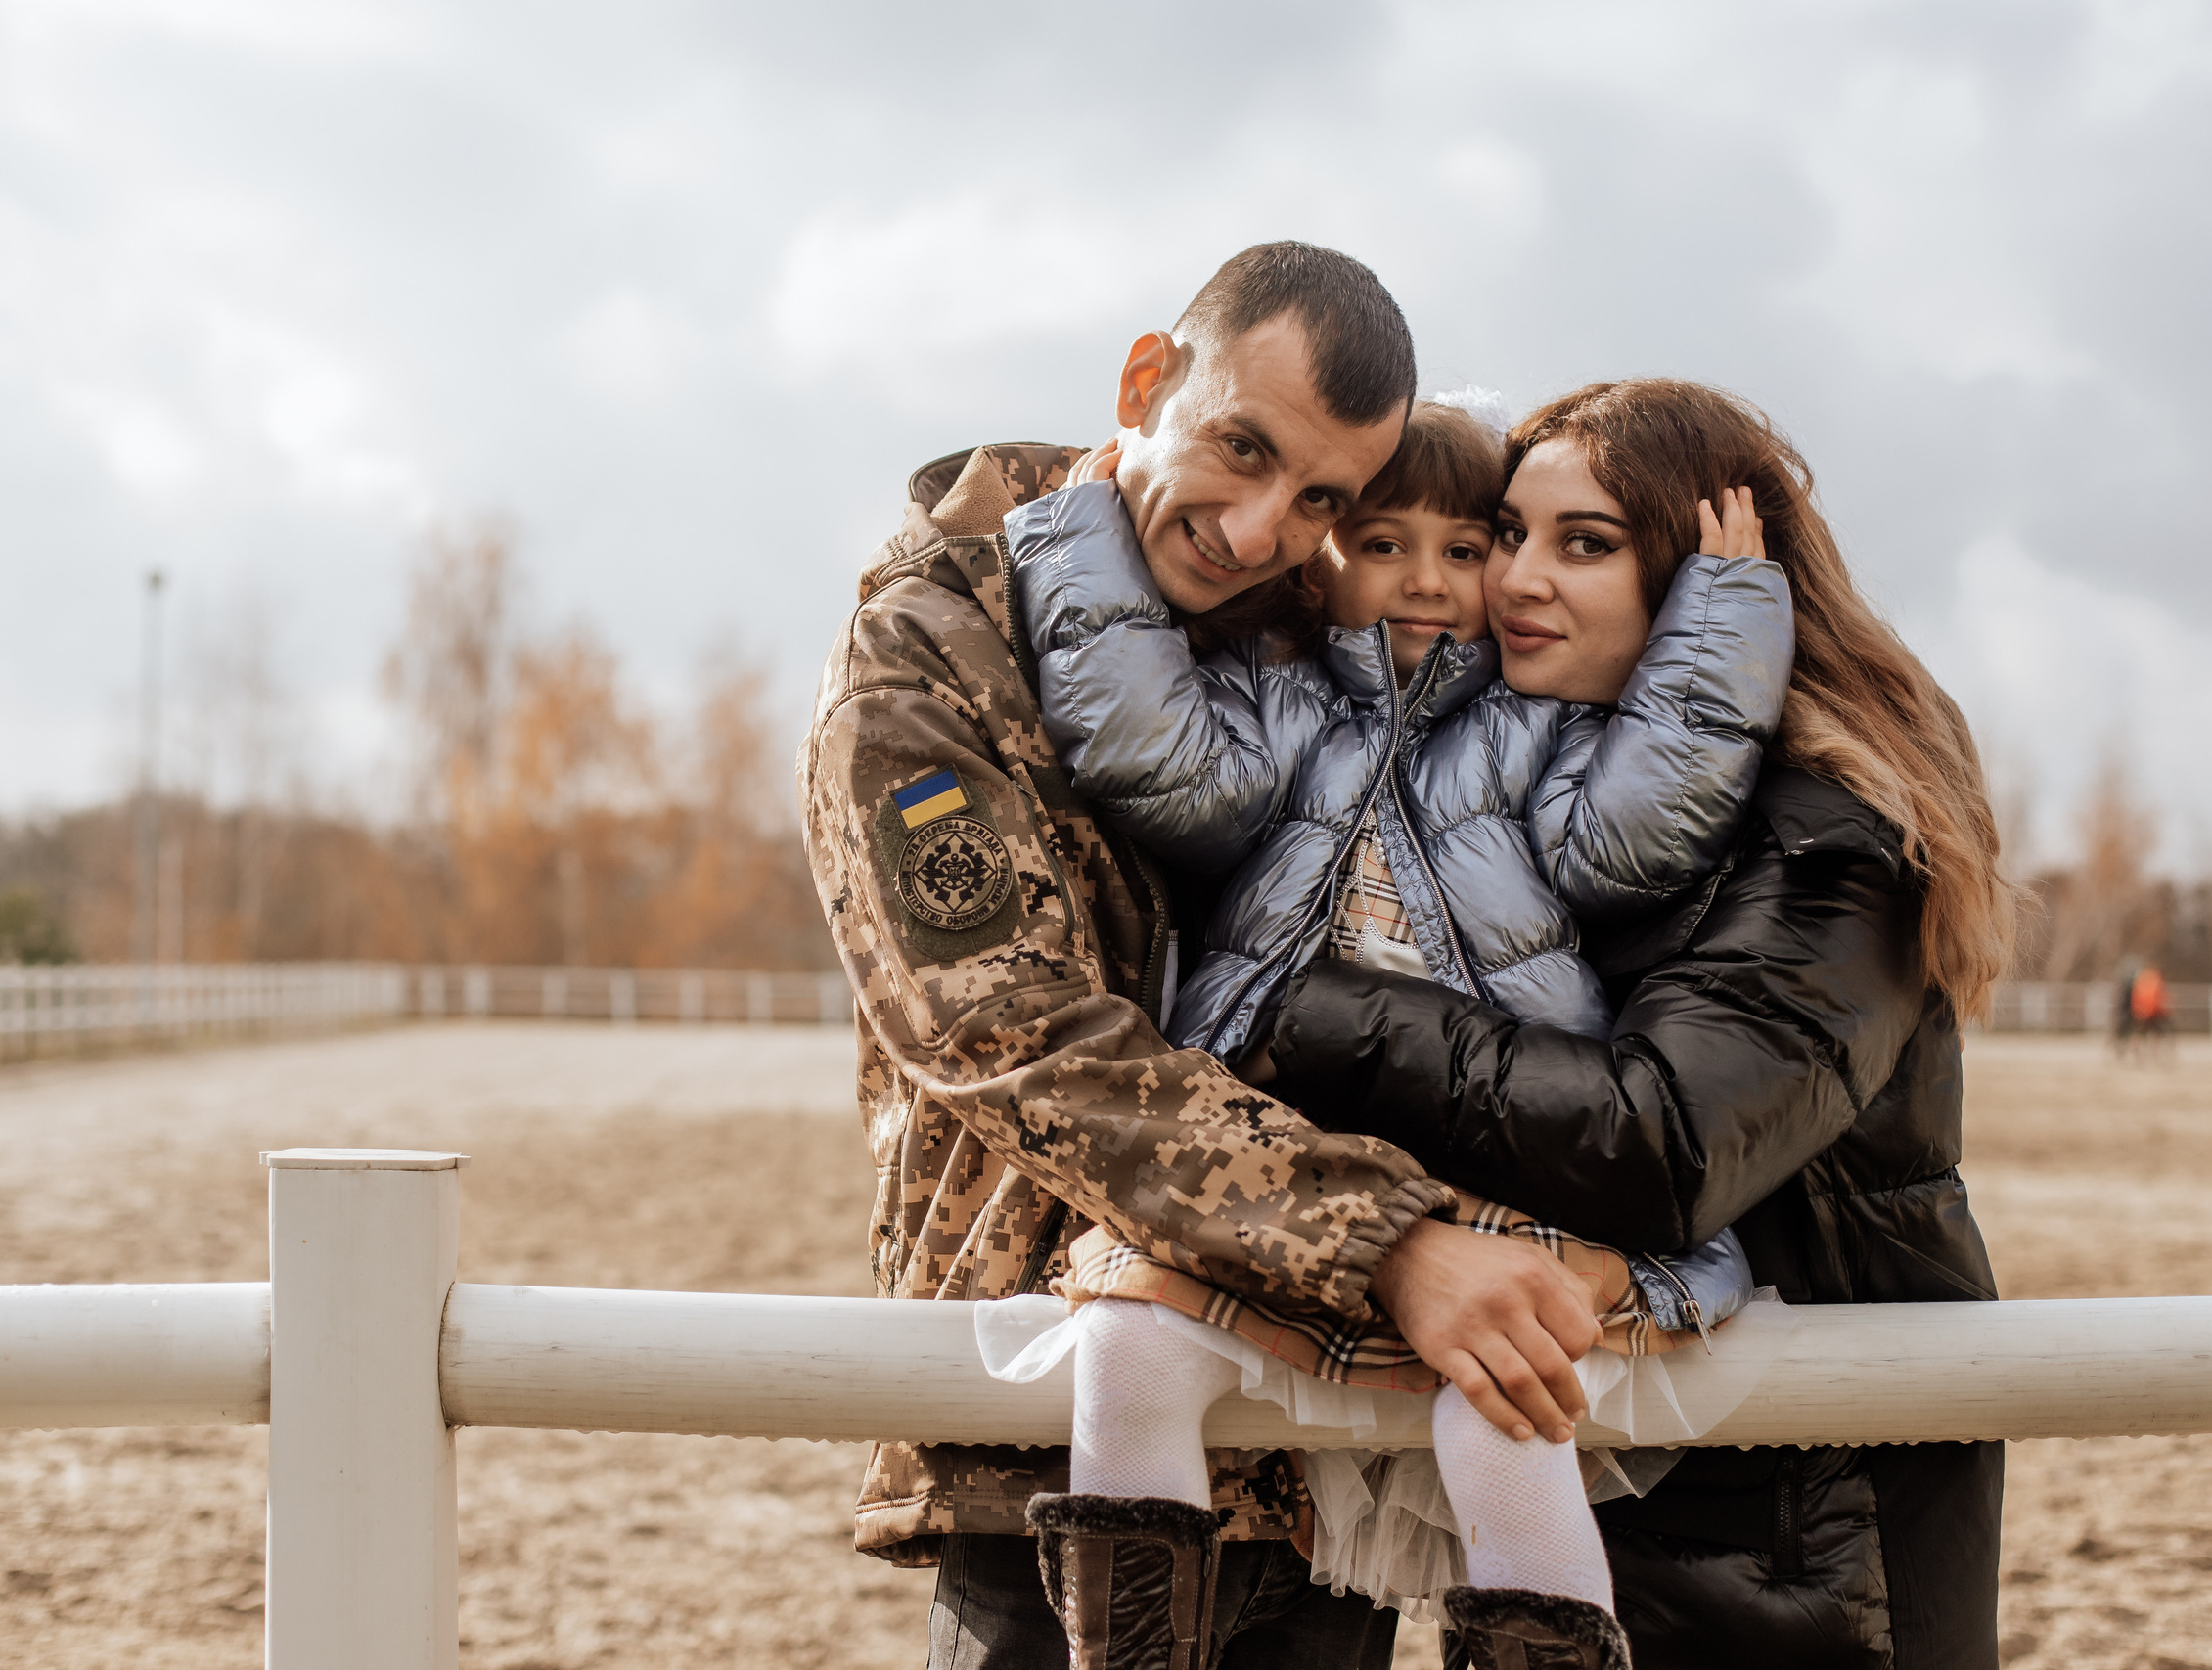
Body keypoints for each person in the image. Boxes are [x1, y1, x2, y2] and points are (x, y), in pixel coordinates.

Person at [800, 243, 1612, 1670]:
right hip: (1057, 1432)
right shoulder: (925, 657)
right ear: (1145, 380)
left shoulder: (1314, 623)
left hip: (1324, 1450)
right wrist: (1389, 1244)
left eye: (1319, 500)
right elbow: (1012, 1037)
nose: (1255, 529)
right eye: (1240, 450)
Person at [986, 393, 1797, 1660]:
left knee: (1505, 1418)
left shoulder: (1541, 733)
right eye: (1380, 543)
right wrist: (1084, 522)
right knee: (1128, 1353)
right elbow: (1146, 748)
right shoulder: (1272, 707)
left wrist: (1725, 612)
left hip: (1497, 1177)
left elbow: (1645, 828)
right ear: (1323, 557)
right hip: (1294, 1177)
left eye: (1463, 550)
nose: (1424, 581)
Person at [1252, 380, 2020, 1668]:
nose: (1516, 579)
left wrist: (1301, 1011)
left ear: (1699, 578)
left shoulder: (1827, 839)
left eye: (1587, 542)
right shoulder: (1539, 803)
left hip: (1799, 1552)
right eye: (1510, 533)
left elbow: (1659, 1141)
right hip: (1591, 1498)